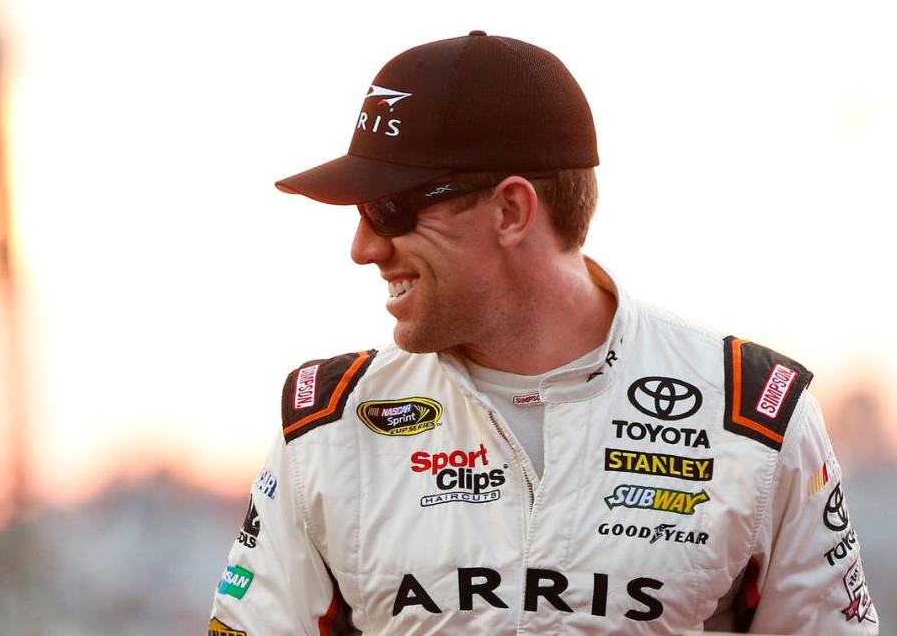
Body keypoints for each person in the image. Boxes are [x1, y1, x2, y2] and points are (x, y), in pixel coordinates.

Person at [208, 32, 878, 635]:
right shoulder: (328, 422)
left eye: (389, 209)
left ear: (510, 209)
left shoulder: (753, 414)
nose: (363, 248)